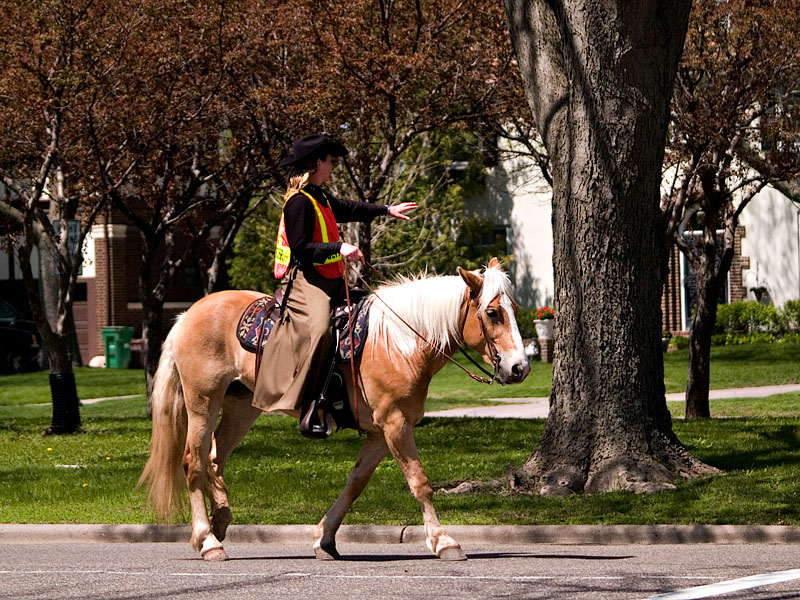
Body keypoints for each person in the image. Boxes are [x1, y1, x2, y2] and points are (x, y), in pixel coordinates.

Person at [252, 133, 416, 417]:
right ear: (318, 163)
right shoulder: (298, 202)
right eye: (330, 161)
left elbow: (349, 208)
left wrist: (387, 210)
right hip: (306, 281)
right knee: (320, 330)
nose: (332, 166)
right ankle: (308, 402)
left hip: (329, 279)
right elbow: (301, 249)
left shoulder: (321, 197)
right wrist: (340, 247)